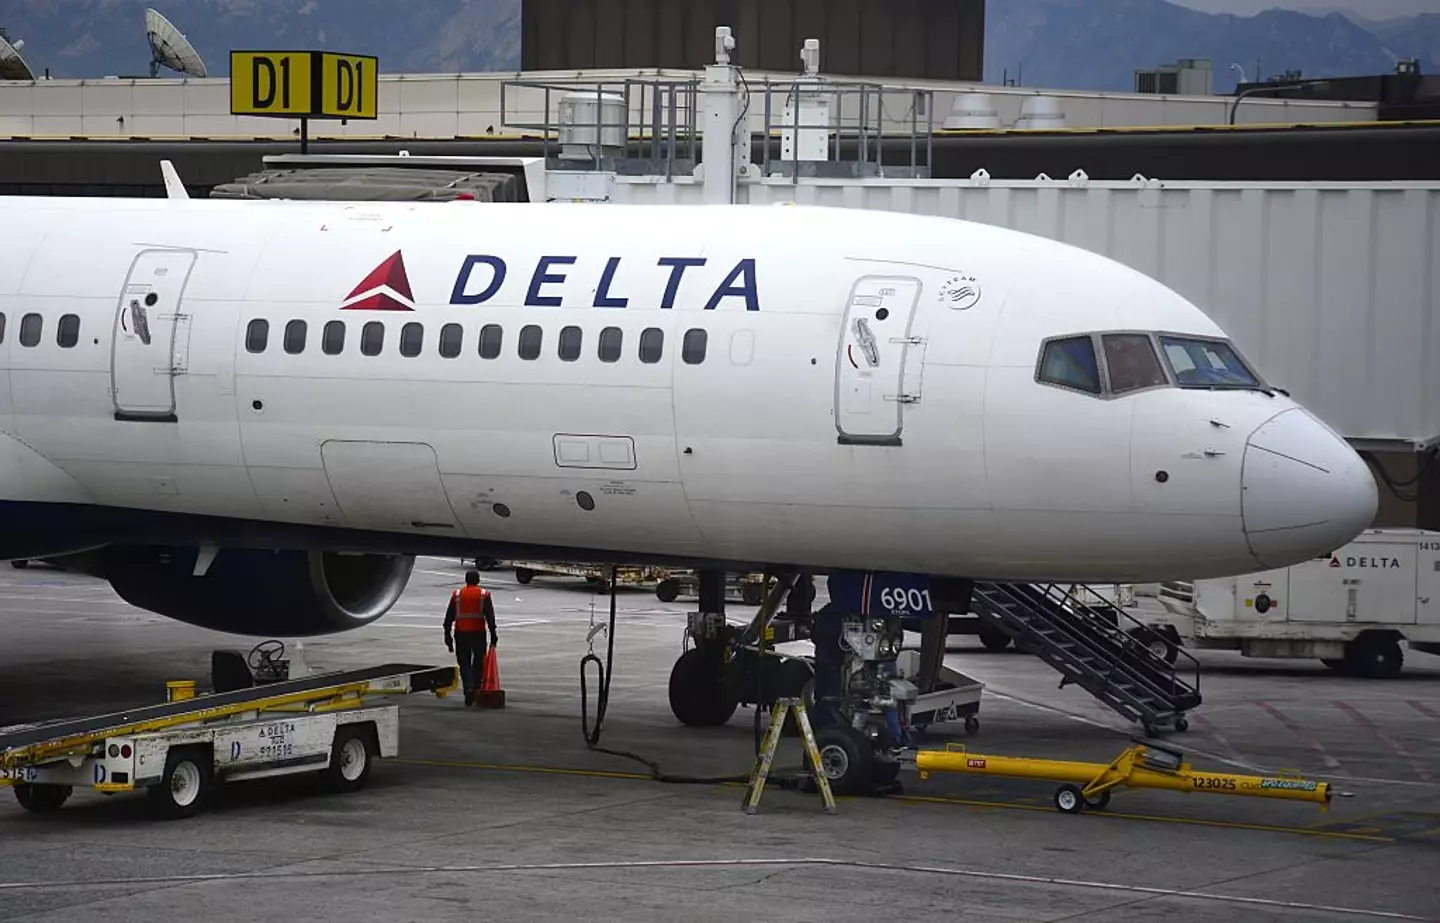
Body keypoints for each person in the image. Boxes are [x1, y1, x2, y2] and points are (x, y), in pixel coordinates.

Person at [444, 570, 498, 706]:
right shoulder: (484, 595)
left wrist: (448, 637)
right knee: (479, 662)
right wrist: (493, 636)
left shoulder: (457, 595)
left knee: (464, 663)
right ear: (478, 580)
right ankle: (475, 687)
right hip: (478, 633)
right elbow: (490, 617)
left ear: (466, 580)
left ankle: (468, 687)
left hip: (461, 633)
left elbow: (448, 618)